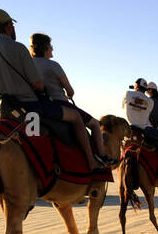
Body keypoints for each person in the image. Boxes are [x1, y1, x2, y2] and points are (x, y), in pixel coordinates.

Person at [0, 8, 97, 171]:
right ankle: (91, 162)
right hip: (29, 107)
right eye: (12, 25)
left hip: (4, 109)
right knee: (76, 117)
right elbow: (37, 84)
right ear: (9, 26)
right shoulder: (19, 48)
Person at [28, 32, 110, 164]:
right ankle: (101, 156)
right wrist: (69, 95)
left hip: (37, 103)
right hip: (59, 103)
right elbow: (70, 90)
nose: (52, 48)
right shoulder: (53, 65)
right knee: (94, 124)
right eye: (50, 45)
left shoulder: (28, 64)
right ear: (45, 47)